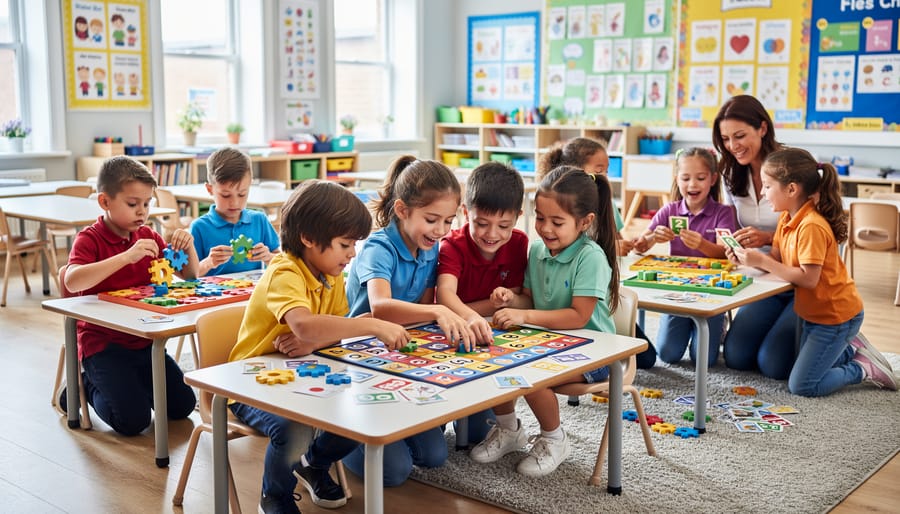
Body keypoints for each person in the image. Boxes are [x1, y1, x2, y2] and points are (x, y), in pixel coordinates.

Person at [227, 180, 409, 513]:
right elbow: (305, 324)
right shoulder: (285, 271)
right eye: (344, 244)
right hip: (248, 382)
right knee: (293, 428)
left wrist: (313, 337)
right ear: (309, 239)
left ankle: (313, 463)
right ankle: (274, 495)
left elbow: (330, 332)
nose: (352, 253)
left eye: (353, 244)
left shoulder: (332, 274)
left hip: (301, 371)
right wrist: (366, 323)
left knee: (362, 408)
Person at [481, 166, 621, 477]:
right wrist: (511, 301)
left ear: (584, 222)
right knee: (493, 355)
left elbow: (578, 317)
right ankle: (509, 429)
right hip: (549, 340)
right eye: (540, 218)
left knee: (530, 370)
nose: (545, 228)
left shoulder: (591, 257)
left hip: (596, 353)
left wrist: (524, 315)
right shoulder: (537, 250)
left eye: (557, 222)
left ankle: (555, 439)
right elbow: (529, 300)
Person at [344, 155, 473, 486]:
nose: (441, 230)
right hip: (359, 352)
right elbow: (381, 307)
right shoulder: (378, 247)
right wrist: (437, 311)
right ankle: (330, 439)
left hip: (399, 354)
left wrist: (448, 318)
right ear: (402, 210)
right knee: (393, 472)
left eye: (448, 221)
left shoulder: (429, 246)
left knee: (434, 456)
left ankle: (388, 428)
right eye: (432, 219)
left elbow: (424, 303)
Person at [726, 148, 897, 395]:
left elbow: (808, 278)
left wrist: (762, 262)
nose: (762, 192)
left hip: (835, 317)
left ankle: (861, 367)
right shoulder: (786, 218)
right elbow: (776, 260)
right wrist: (746, 260)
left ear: (792, 189)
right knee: (789, 365)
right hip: (811, 314)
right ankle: (847, 349)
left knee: (803, 385)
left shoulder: (812, 226)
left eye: (767, 186)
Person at [59, 156, 199, 435]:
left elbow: (191, 276)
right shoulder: (90, 238)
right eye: (133, 204)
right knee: (132, 422)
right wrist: (125, 257)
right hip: (103, 345)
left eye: (147, 203)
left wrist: (189, 245)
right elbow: (72, 280)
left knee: (183, 405)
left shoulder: (149, 235)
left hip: (144, 341)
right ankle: (83, 386)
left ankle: (131, 385)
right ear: (105, 202)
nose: (142, 212)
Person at [539, 136, 658, 369]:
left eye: (606, 171)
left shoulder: (605, 204)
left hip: (599, 296)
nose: (604, 177)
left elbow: (618, 243)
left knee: (645, 357)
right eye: (599, 170)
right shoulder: (555, 209)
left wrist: (629, 245)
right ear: (575, 171)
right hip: (575, 301)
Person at [435, 162, 528, 444]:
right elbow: (445, 296)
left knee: (476, 433)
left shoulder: (519, 243)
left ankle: (506, 425)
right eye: (481, 223)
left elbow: (520, 299)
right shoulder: (452, 244)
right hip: (452, 335)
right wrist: (476, 314)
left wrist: (509, 300)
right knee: (433, 426)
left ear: (518, 217)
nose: (492, 234)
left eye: (504, 226)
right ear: (465, 213)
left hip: (492, 340)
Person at [713, 95, 798, 380]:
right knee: (736, 357)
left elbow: (820, 232)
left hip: (801, 278)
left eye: (740, 136)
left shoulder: (793, 166)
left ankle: (848, 347)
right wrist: (733, 247)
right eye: (725, 139)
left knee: (773, 365)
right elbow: (734, 224)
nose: (733, 146)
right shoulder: (729, 172)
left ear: (762, 128)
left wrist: (768, 236)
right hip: (763, 278)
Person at [632, 147, 737, 367]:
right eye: (686, 178)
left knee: (704, 360)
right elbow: (639, 247)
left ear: (712, 179)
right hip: (677, 292)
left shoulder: (724, 213)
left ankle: (717, 328)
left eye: (700, 178)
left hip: (712, 294)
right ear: (676, 179)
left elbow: (726, 254)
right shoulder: (669, 211)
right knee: (668, 354)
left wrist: (702, 244)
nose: (692, 185)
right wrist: (652, 238)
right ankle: (686, 326)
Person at [190, 147, 279, 276]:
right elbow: (190, 275)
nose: (235, 203)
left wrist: (268, 257)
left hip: (253, 293)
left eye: (242, 194)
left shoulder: (259, 220)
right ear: (210, 190)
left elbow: (281, 262)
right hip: (216, 294)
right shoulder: (199, 227)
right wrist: (208, 262)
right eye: (226, 195)